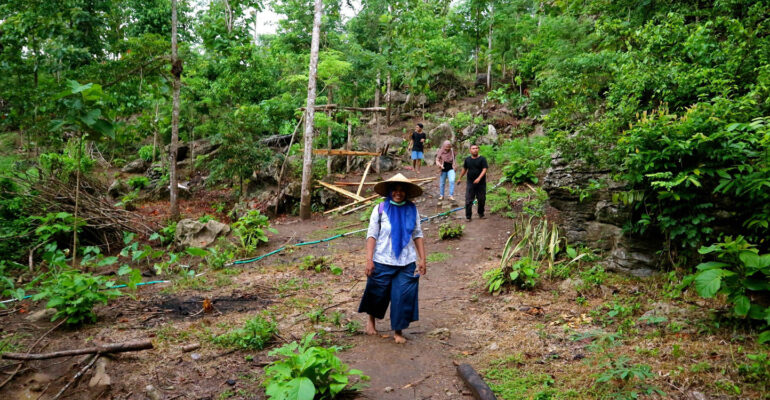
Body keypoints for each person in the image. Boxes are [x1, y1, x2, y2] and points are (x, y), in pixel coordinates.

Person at [359, 173, 427, 344]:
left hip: (406, 261)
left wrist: (422, 259)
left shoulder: (412, 209)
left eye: (401, 190)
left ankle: (398, 331)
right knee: (377, 292)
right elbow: (372, 235)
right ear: (389, 192)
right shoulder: (380, 209)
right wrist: (369, 259)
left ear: (406, 193)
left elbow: (417, 234)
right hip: (382, 259)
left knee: (402, 296)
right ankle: (371, 322)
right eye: (394, 190)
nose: (398, 193)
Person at [457, 144, 488, 221]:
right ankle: (468, 216)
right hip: (470, 182)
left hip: (481, 183)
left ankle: (481, 213)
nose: (475, 150)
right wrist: (460, 178)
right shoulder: (467, 160)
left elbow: (484, 169)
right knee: (468, 199)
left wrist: (479, 178)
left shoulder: (482, 159)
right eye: (473, 148)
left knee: (481, 199)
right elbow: (464, 169)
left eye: (476, 148)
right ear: (470, 150)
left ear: (478, 149)